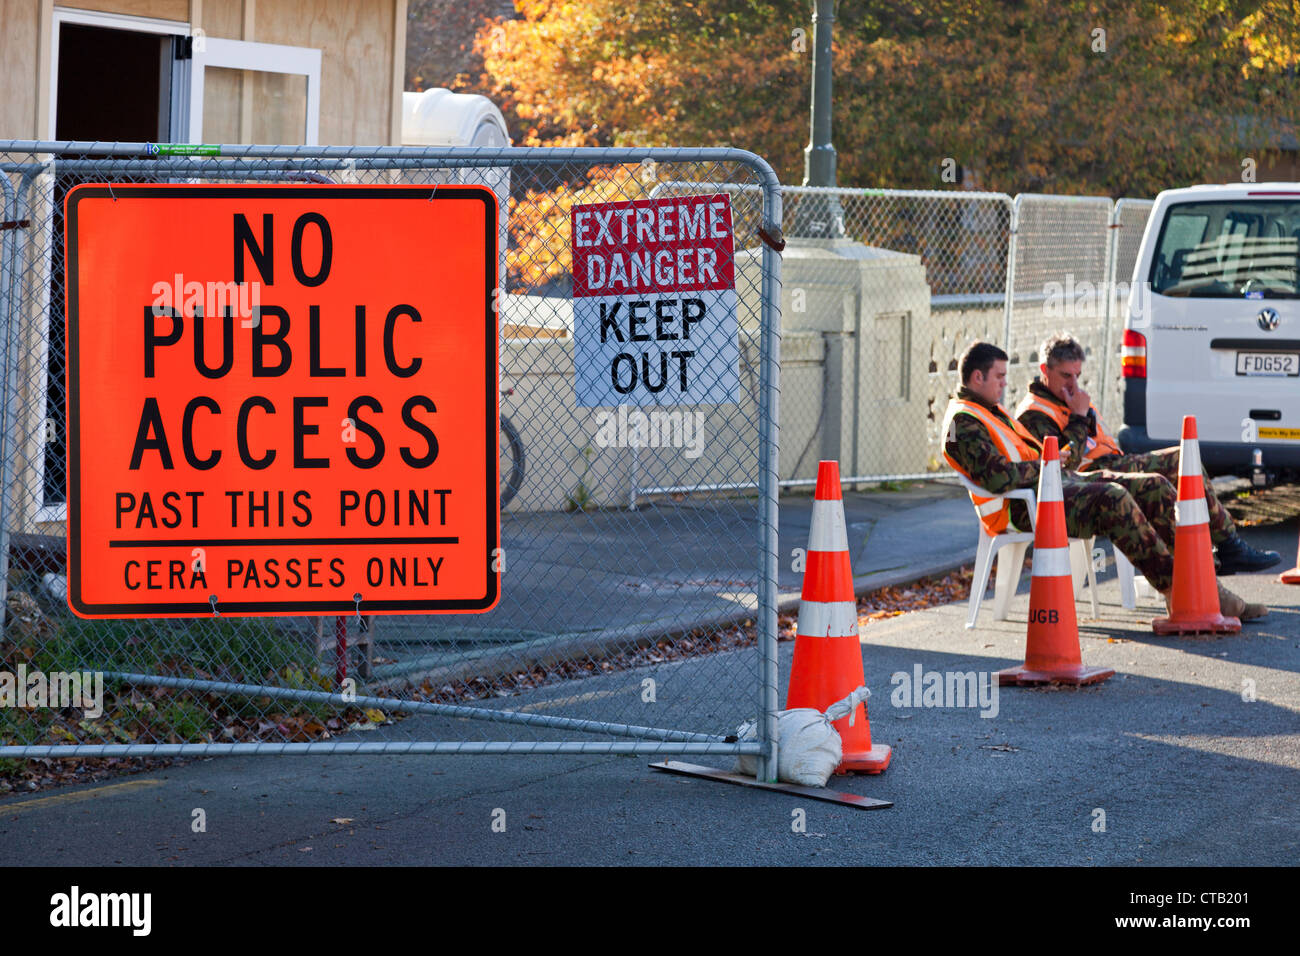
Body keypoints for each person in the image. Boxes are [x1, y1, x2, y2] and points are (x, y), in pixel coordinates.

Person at [943, 341, 1264, 620]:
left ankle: (1204, 584)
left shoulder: (991, 409)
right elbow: (997, 477)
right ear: (977, 377)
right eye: (999, 377)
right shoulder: (964, 420)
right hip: (1021, 508)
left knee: (1154, 485)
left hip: (1052, 486)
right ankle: (1181, 591)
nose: (1004, 384)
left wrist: (1051, 463)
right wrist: (1048, 464)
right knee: (1114, 497)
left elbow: (1042, 459)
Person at [1015, 332, 1280, 574]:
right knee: (1178, 461)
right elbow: (1062, 465)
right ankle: (1222, 552)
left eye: (1077, 375)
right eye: (1065, 376)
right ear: (1044, 371)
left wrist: (1080, 415)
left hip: (1113, 463)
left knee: (1185, 458)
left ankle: (1218, 550)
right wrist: (1079, 418)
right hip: (1086, 480)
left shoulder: (1067, 399)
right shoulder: (1035, 413)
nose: (1073, 384)